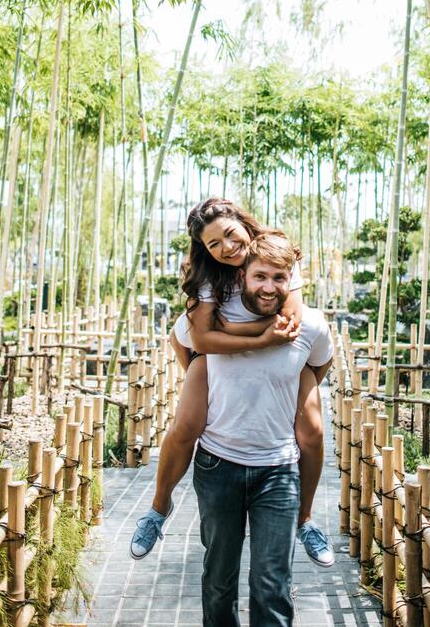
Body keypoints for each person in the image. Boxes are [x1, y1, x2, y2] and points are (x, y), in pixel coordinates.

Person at [130, 198, 333, 568]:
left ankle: (305, 519)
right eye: (214, 244)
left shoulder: (276, 251)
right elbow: (200, 339)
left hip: (280, 351)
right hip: (211, 352)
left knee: (313, 431)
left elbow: (289, 320)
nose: (226, 247)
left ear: (243, 222)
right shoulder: (207, 270)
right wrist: (258, 338)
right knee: (186, 426)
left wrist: (252, 339)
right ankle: (159, 508)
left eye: (229, 234)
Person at [193, 231, 334, 626]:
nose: (269, 287)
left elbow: (321, 363)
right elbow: (184, 343)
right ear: (242, 276)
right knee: (219, 580)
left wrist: (296, 385)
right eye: (260, 277)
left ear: (292, 279)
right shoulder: (217, 318)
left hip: (279, 470)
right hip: (217, 465)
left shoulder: (311, 326)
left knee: (272, 583)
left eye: (279, 278)